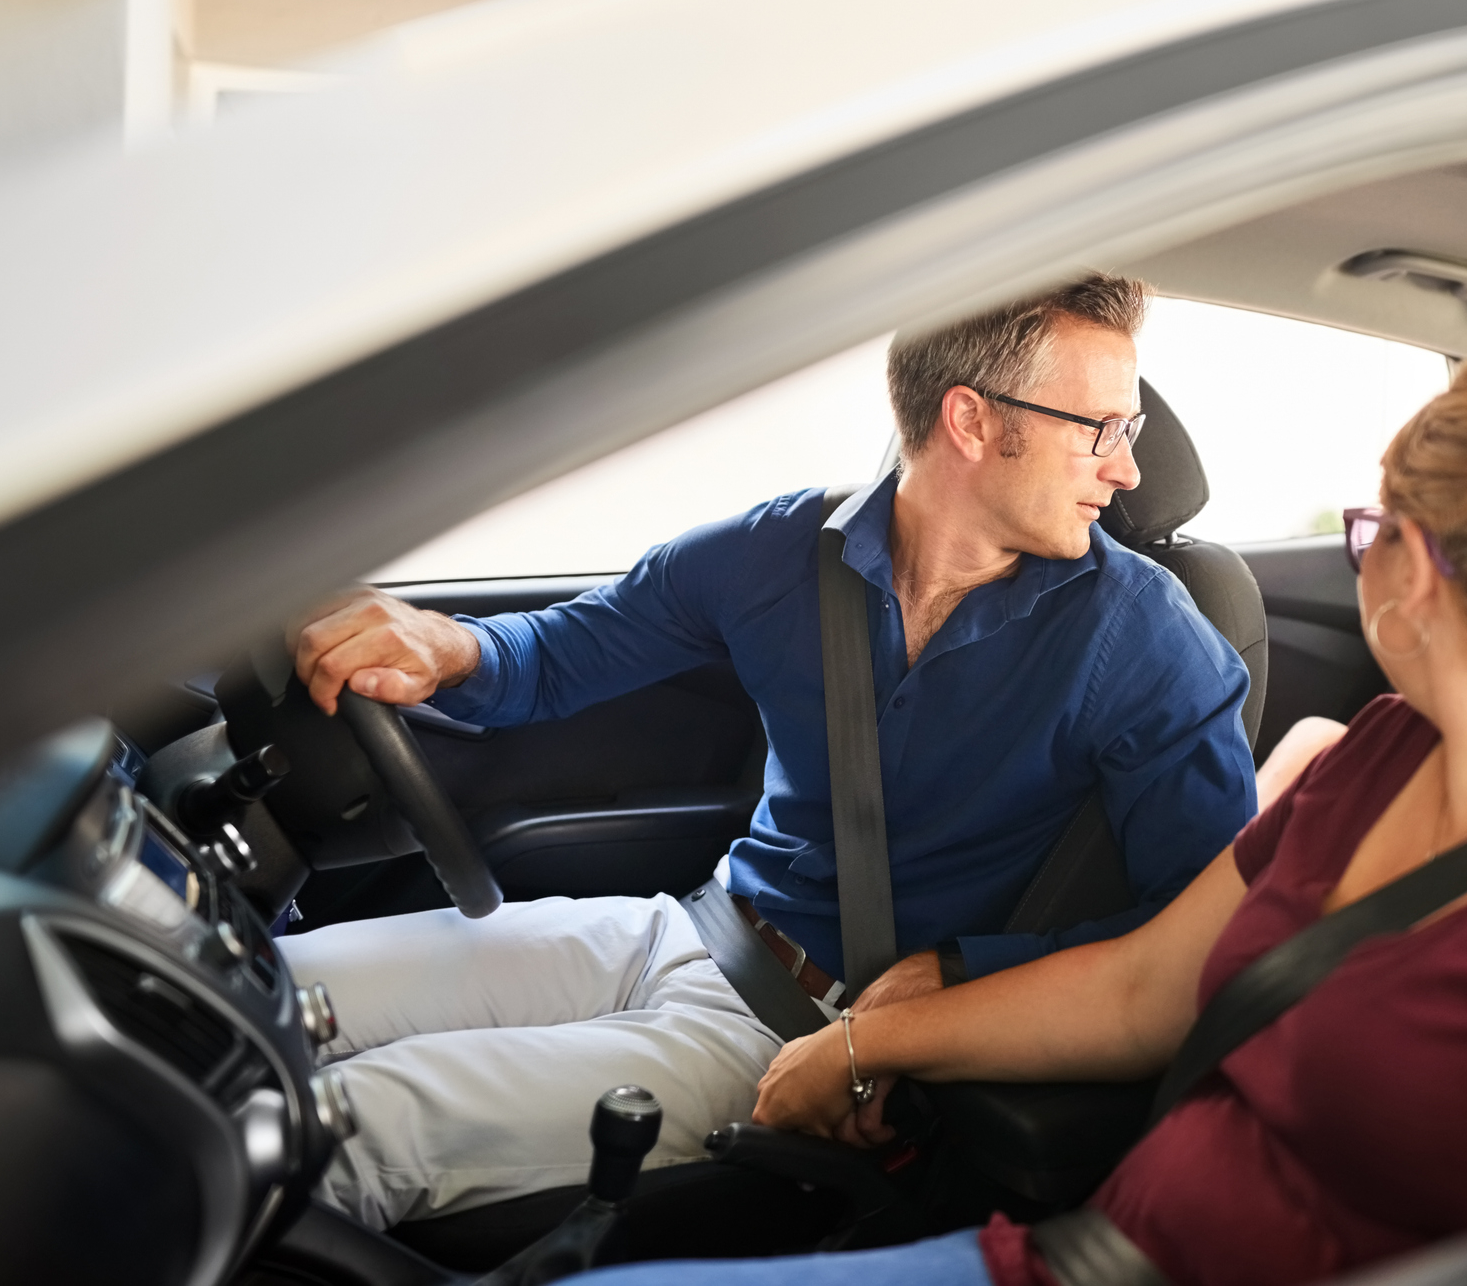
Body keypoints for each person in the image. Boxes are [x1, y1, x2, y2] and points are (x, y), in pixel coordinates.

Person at [569, 343, 1467, 1286]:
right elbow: (1147, 983)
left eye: (1368, 528)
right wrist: (867, 1042)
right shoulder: (1386, 744)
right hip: (1068, 1253)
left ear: (1408, 565)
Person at [278, 275, 1262, 1229]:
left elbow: (1203, 929)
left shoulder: (1144, 640)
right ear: (970, 421)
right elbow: (563, 653)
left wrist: (961, 978)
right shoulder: (781, 551)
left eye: (1125, 432)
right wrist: (450, 645)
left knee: (338, 1130)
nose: (1125, 469)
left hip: (805, 1032)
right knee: (271, 990)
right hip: (690, 928)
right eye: (1099, 429)